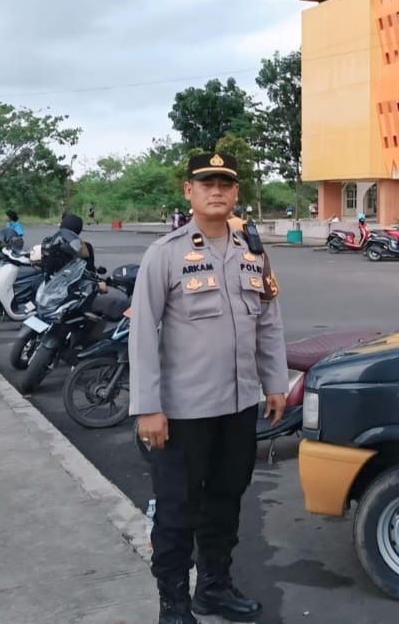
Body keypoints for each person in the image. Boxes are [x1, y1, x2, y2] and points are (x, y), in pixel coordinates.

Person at [130, 151, 288, 624]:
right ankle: (174, 607)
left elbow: (269, 322)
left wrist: (275, 382)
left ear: (236, 192)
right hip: (182, 413)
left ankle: (214, 588)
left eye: (225, 183)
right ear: (189, 192)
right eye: (206, 183)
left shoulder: (253, 251)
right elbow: (142, 334)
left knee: (225, 501)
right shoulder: (165, 254)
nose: (216, 190)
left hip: (238, 407)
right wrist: (147, 408)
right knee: (177, 512)